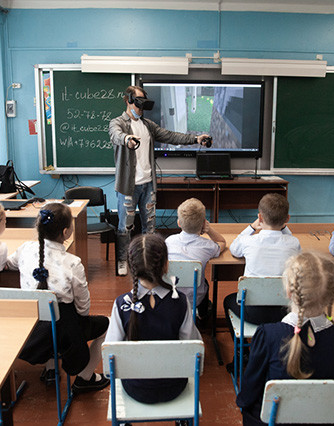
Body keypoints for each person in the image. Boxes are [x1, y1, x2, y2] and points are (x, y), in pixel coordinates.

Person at [236, 252, 334, 426]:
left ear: (289, 291)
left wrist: (243, 404)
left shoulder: (268, 335)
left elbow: (250, 390)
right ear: (333, 295)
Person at [6, 202, 110, 394]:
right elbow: (83, 309)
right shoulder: (72, 263)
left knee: (46, 314)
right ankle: (85, 378)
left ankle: (51, 369)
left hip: (31, 332)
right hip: (61, 334)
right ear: (65, 232)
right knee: (106, 325)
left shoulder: (25, 249)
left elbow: (9, 264)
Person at [109, 85, 211, 276]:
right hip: (128, 186)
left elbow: (171, 136)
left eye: (143, 104)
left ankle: (148, 260)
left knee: (149, 227)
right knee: (125, 227)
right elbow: (116, 135)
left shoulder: (148, 125)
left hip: (148, 184)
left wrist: (196, 139)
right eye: (138, 103)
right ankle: (123, 260)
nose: (141, 108)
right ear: (129, 101)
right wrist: (127, 139)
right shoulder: (118, 123)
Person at [105, 233, 201, 405]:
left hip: (135, 387)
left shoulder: (121, 304)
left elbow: (111, 354)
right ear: (166, 265)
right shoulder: (180, 301)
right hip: (174, 386)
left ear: (131, 267)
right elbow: (192, 346)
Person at [223, 193, 300, 326]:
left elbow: (234, 249)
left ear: (260, 217)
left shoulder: (248, 241)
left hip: (253, 313)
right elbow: (292, 241)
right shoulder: (293, 243)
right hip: (284, 312)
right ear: (287, 219)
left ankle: (243, 340)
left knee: (228, 300)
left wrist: (251, 228)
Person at [165, 197, 226, 320]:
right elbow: (222, 242)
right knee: (204, 283)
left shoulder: (168, 241)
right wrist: (209, 230)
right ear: (204, 224)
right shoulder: (207, 246)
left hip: (170, 295)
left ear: (179, 223)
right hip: (194, 299)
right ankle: (203, 314)